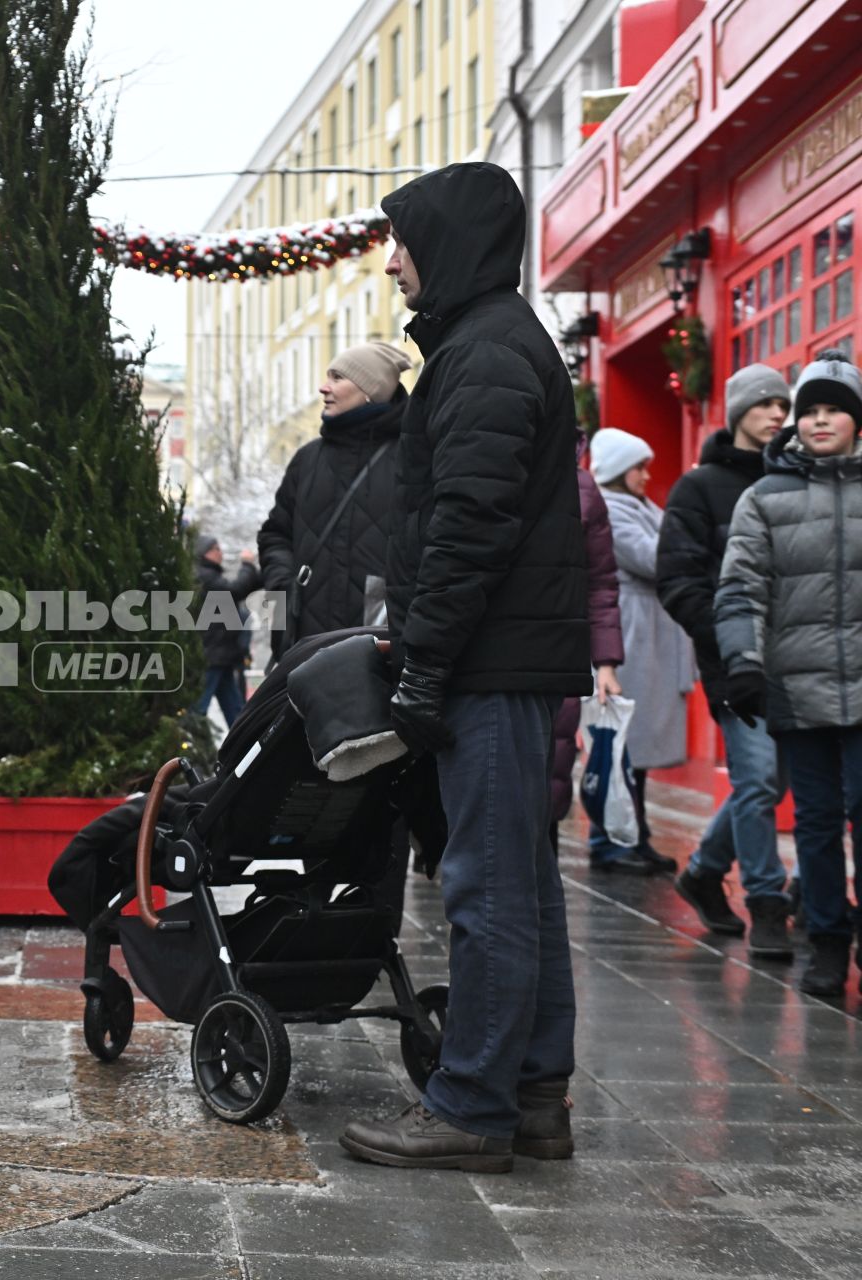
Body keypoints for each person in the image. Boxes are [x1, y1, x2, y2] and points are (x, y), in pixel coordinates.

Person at [339, 162, 587, 1173]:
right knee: (522, 882)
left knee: (486, 887)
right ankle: (534, 1092)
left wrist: (427, 661)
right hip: (503, 656)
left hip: (489, 661)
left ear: (450, 242)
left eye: (403, 239)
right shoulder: (490, 342)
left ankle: (473, 1103)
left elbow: (468, 527)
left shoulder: (484, 351)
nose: (392, 260)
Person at [716, 350, 862, 997]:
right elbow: (741, 589)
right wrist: (744, 662)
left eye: (836, 410)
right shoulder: (765, 498)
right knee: (817, 820)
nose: (822, 421)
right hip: (797, 689)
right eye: (812, 411)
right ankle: (828, 940)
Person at [657, 364, 793, 956]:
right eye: (764, 405)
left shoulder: (793, 480)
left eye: (782, 407)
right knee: (759, 779)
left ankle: (705, 870)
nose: (776, 417)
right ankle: (767, 898)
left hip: (798, 658)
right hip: (732, 661)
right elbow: (678, 578)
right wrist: (730, 639)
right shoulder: (699, 487)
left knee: (777, 779)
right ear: (737, 411)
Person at [258, 341, 413, 656]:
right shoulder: (308, 459)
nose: (323, 388)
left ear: (370, 390)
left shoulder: (413, 458)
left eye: (337, 378)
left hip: (382, 646)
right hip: (305, 641)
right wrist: (283, 586)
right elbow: (276, 534)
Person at [586, 427, 694, 873]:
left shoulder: (639, 507)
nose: (646, 475)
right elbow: (655, 559)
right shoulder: (611, 510)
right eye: (638, 467)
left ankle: (635, 833)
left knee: (638, 744)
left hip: (649, 632)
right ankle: (609, 839)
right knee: (621, 740)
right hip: (630, 633)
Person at [548, 465, 626, 849]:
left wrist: (606, 661)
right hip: (486, 659)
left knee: (551, 783)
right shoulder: (477, 456)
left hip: (559, 655)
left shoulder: (581, 485)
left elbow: (601, 582)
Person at [191, 536, 258, 725]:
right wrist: (247, 565)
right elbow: (236, 590)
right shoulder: (204, 576)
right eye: (215, 549)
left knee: (235, 710)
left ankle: (242, 749)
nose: (220, 552)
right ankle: (187, 746)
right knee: (199, 709)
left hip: (221, 656)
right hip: (213, 656)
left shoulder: (208, 576)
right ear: (205, 553)